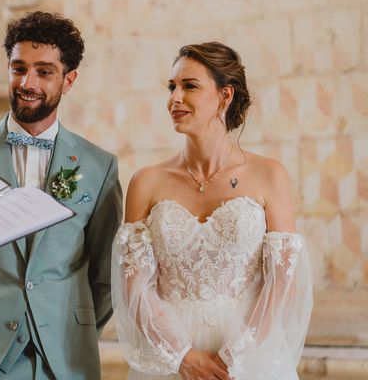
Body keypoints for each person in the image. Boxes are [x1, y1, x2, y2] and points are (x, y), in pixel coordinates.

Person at [0, 11, 123, 379]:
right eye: (18, 68)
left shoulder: (100, 167)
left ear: (69, 81)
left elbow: (105, 273)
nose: (27, 82)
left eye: (44, 71)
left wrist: (70, 329)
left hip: (66, 358)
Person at [111, 42, 313, 380]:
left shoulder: (268, 174)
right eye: (171, 87)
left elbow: (282, 282)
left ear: (225, 95)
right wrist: (182, 357)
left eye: (189, 86)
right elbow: (136, 289)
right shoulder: (146, 182)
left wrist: (234, 358)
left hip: (250, 356)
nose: (174, 98)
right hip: (169, 358)